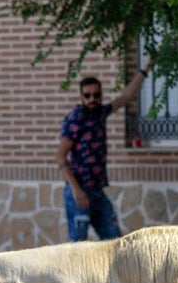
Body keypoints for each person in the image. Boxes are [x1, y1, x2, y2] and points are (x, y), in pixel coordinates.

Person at [56, 63, 151, 241]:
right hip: (79, 192)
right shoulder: (75, 119)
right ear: (81, 97)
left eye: (96, 95)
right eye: (88, 95)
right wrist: (77, 191)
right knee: (78, 247)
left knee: (114, 241)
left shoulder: (100, 113)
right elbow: (60, 156)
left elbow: (126, 96)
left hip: (97, 191)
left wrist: (146, 68)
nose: (92, 99)